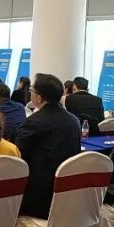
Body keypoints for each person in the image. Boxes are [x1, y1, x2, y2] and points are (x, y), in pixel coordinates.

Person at [14, 74, 82, 218]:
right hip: (67, 193)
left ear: (39, 98)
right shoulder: (74, 121)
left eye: (32, 91)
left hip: (38, 199)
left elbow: (17, 158)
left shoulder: (34, 122)